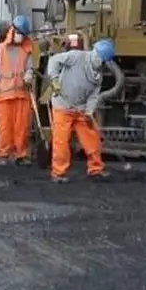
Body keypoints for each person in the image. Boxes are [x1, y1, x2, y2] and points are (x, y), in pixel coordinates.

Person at [46, 39, 115, 184]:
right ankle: (58, 173)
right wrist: (54, 79)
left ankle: (95, 168)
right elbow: (53, 61)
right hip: (62, 106)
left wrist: (89, 112)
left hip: (81, 110)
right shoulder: (76, 56)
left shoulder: (97, 76)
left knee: (92, 138)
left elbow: (93, 96)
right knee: (61, 141)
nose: (103, 66)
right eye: (103, 62)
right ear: (97, 57)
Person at [0, 15, 35, 165]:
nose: (21, 37)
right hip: (4, 96)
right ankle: (4, 154)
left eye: (23, 34)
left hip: (21, 95)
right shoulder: (0, 50)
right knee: (5, 127)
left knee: (22, 128)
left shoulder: (26, 49)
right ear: (12, 30)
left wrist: (29, 74)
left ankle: (21, 154)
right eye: (19, 33)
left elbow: (30, 67)